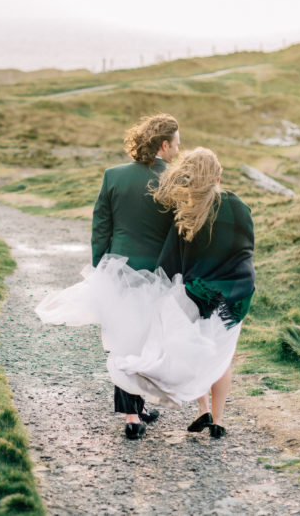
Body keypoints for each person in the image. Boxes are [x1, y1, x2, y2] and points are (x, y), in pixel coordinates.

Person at [36, 113, 180, 439]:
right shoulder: (174, 179)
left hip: (118, 270)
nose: (177, 151)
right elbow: (179, 234)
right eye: (176, 145)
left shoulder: (112, 176)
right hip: (158, 274)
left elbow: (101, 229)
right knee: (146, 339)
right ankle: (136, 410)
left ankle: (134, 412)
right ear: (163, 144)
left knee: (122, 341)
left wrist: (102, 269)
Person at [152, 148, 256, 438]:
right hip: (236, 292)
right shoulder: (239, 206)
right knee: (223, 356)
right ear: (218, 176)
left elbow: (169, 262)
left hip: (199, 294)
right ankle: (219, 420)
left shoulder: (187, 209)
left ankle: (202, 410)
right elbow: (248, 246)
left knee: (201, 351)